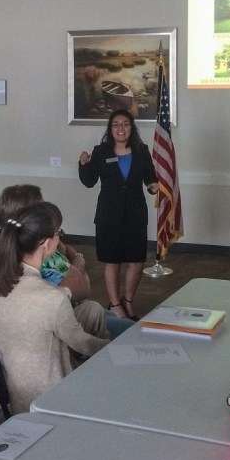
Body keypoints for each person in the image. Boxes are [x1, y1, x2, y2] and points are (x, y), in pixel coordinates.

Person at [0, 201, 110, 413]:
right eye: (58, 233)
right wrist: (114, 346)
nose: (60, 238)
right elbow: (83, 343)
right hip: (50, 394)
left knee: (92, 310)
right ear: (46, 244)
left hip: (11, 386)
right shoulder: (51, 299)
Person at [0, 184, 134, 339]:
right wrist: (78, 261)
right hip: (67, 325)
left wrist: (72, 260)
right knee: (134, 332)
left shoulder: (8, 252)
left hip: (58, 320)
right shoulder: (46, 259)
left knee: (120, 321)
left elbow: (65, 249)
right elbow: (83, 290)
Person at [78, 108, 159, 321]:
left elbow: (150, 179)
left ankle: (128, 301)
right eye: (116, 125)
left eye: (125, 124)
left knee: (137, 261)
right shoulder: (100, 151)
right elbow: (89, 182)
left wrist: (153, 186)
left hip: (135, 213)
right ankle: (114, 304)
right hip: (108, 215)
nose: (120, 129)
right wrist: (83, 165)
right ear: (110, 129)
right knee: (112, 261)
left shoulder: (142, 151)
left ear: (131, 128)